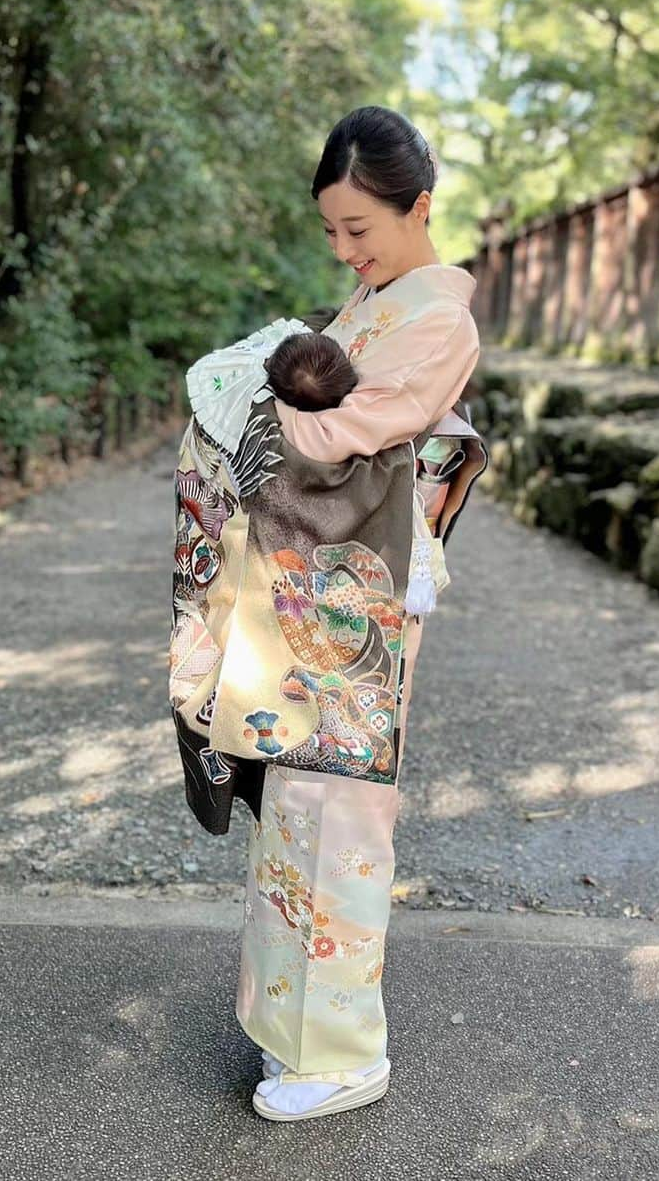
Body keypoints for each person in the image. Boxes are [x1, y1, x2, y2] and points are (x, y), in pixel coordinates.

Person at [231, 106, 484, 1121]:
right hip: (320, 571)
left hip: (371, 583)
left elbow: (351, 429)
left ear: (419, 207)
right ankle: (288, 1026)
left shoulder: (438, 320)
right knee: (295, 792)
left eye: (360, 231)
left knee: (345, 803)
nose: (344, 250)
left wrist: (247, 404)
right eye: (331, 231)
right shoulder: (374, 302)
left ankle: (344, 1051)